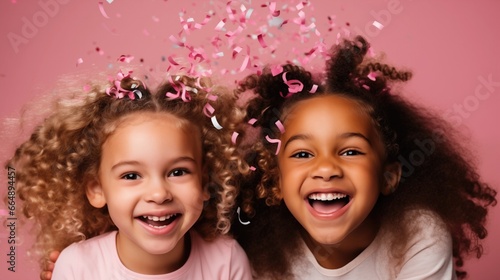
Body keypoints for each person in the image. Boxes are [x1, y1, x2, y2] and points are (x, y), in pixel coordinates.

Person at [232, 36, 497, 279]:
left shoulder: (418, 234)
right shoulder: (259, 251)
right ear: (275, 182)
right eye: (302, 154)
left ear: (388, 176)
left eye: (350, 151)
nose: (326, 168)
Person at [8, 71, 252, 279]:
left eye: (178, 172)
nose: (159, 194)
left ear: (203, 181)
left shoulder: (226, 262)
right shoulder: (78, 267)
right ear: (97, 189)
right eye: (132, 176)